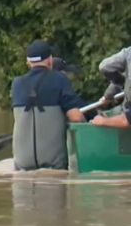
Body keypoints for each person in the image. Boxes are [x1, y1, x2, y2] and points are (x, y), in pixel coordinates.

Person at [11, 40, 86, 170]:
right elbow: (76, 117)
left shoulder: (16, 84)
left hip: (22, 167)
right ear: (50, 60)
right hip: (53, 168)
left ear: (28, 62)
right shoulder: (60, 80)